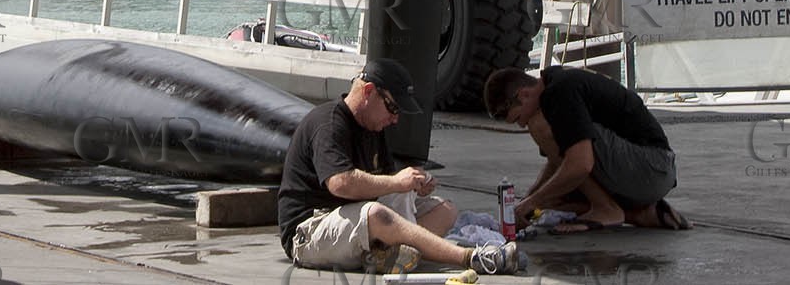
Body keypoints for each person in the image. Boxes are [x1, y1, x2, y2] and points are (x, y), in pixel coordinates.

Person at [278, 59, 521, 276]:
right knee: (376, 214)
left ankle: (382, 253)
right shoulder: (328, 122)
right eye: (393, 108)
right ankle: (470, 257)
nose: (395, 119)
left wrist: (414, 184)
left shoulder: (373, 128)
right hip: (309, 231)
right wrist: (397, 181)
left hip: (352, 220)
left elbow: (384, 183)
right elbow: (340, 182)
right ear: (369, 92)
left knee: (445, 210)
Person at [483, 67, 691, 233]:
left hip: (652, 165)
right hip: (645, 171)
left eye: (518, 118)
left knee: (540, 126)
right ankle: (640, 214)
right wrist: (528, 201)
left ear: (523, 95)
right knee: (552, 201)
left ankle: (606, 209)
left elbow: (580, 164)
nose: (521, 125)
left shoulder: (558, 93)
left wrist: (531, 202)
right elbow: (558, 163)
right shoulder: (554, 84)